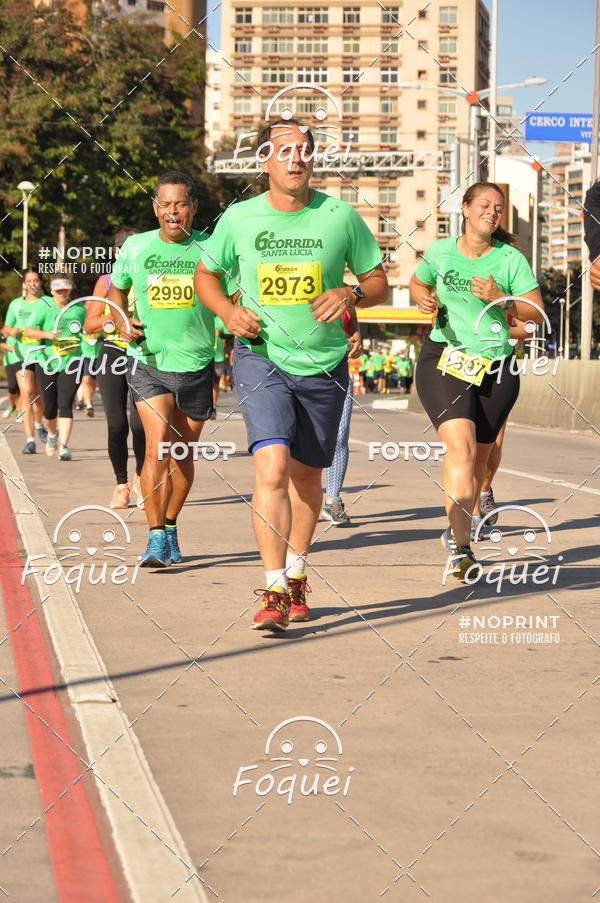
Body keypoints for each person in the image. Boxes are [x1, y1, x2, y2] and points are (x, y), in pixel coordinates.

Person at [195, 117, 388, 631]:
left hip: (325, 362)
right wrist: (226, 312)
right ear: (264, 160)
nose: (296, 158)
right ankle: (274, 586)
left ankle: (299, 573)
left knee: (307, 477)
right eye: (285, 151)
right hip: (262, 353)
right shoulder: (239, 218)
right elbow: (206, 274)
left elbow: (377, 278)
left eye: (305, 150)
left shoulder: (340, 215)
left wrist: (351, 293)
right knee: (272, 468)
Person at [409, 181, 543, 581]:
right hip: (446, 359)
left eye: (498, 207)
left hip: (497, 367)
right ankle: (462, 547)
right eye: (484, 204)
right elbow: (419, 281)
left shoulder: (509, 259)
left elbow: (534, 312)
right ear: (465, 209)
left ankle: (465, 525)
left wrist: (499, 297)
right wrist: (422, 297)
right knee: (461, 448)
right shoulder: (440, 251)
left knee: (482, 459)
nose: (492, 211)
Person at [106, 171, 216, 567]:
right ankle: (154, 538)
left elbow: (235, 294)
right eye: (165, 204)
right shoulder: (135, 247)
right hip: (147, 361)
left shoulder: (211, 247)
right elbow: (115, 290)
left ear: (193, 208)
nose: (173, 211)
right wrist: (119, 318)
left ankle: (169, 524)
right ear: (155, 208)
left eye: (181, 204)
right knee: (157, 449)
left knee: (182, 455)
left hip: (199, 363)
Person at [84, 228, 146, 510]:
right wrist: (119, 315)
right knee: (118, 425)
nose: (127, 253)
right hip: (112, 351)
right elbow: (90, 324)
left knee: (140, 424)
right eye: (122, 248)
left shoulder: (150, 277)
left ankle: (142, 478)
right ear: (115, 252)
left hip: (143, 352)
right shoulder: (106, 281)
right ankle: (121, 485)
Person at [23, 275, 84, 460]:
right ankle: (51, 435)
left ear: (70, 289)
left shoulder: (78, 309)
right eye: (58, 291)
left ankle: (64, 446)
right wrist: (48, 335)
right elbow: (28, 330)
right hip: (47, 361)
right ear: (51, 291)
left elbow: (88, 327)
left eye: (65, 290)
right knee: (50, 407)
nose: (62, 294)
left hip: (72, 361)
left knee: (65, 404)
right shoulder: (44, 305)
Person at [2, 269, 50, 453]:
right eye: (29, 280)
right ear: (24, 283)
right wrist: (10, 331)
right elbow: (6, 328)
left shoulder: (47, 303)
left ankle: (39, 424)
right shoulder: (16, 304)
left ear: (40, 282)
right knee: (27, 392)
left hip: (42, 353)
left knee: (39, 396)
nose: (33, 284)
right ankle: (30, 440)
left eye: (36, 280)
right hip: (20, 354)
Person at [321, 310, 361, 527]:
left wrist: (355, 334)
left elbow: (351, 319)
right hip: (292, 372)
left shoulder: (344, 292)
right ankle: (290, 498)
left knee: (338, 436)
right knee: (295, 439)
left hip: (337, 372)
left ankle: (332, 500)